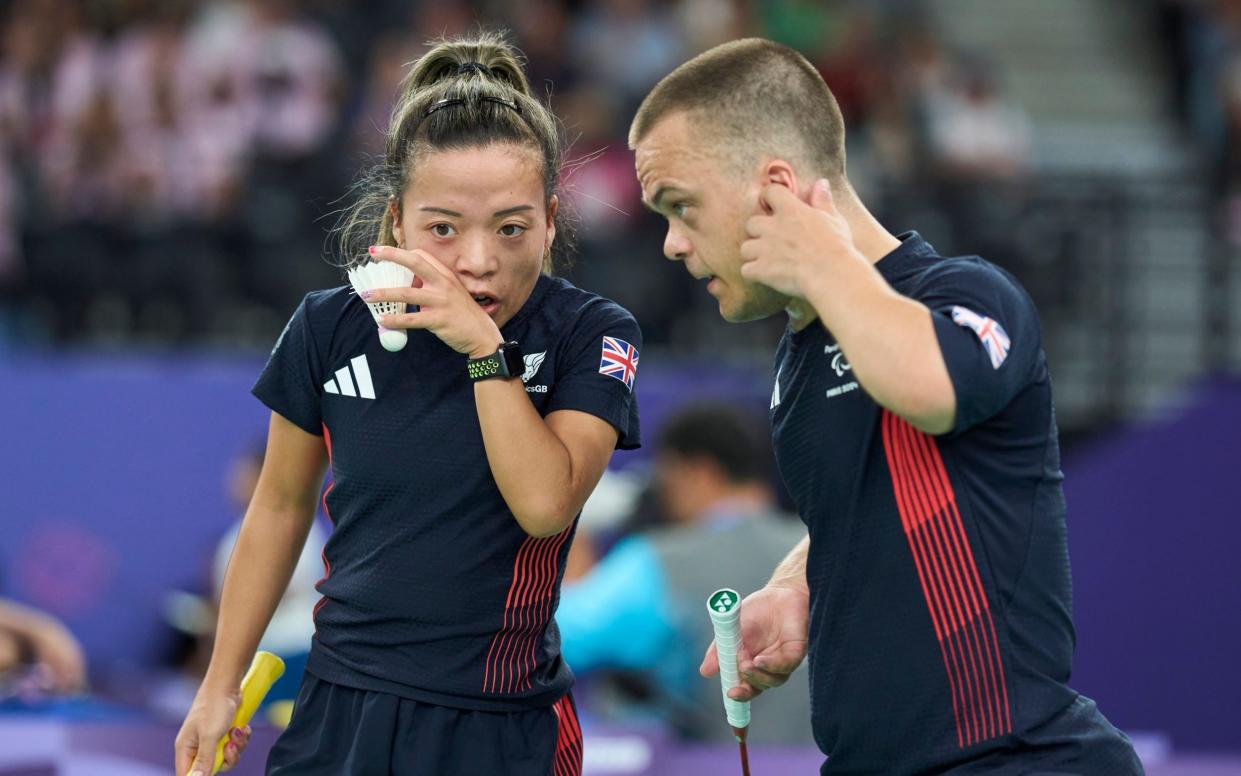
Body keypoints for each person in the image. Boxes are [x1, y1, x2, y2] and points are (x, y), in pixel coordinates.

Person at [629, 38, 1142, 774]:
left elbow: (930, 392)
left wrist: (824, 257)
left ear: (774, 187)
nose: (674, 244)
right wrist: (794, 585)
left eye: (681, 206)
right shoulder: (797, 360)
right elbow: (881, 493)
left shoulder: (964, 295)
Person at [174, 32, 641, 776]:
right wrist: (218, 685)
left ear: (551, 219)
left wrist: (483, 349)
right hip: (339, 710)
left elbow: (545, 504)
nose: (477, 259)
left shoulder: (591, 333)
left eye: (511, 227)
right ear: (396, 220)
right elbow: (279, 506)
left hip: (498, 723)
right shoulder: (328, 326)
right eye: (443, 227)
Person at [556, 403, 812, 744]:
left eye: (666, 478)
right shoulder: (828, 547)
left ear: (698, 471)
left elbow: (555, 638)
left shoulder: (657, 561)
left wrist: (571, 529)